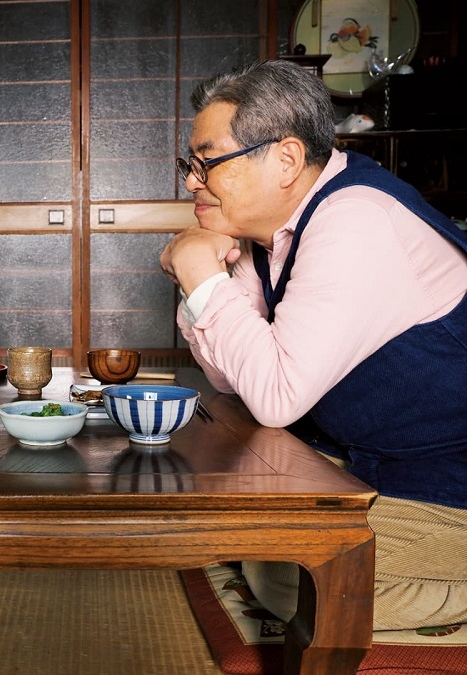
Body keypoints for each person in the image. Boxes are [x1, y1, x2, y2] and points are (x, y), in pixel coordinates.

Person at [159, 59, 467, 631]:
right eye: (190, 165)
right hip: (363, 464)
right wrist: (206, 276)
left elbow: (275, 397)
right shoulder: (271, 232)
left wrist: (200, 274)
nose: (192, 182)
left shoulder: (356, 220)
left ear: (286, 159)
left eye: (207, 163)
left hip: (446, 487)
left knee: (295, 578)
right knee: (217, 507)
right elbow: (233, 378)